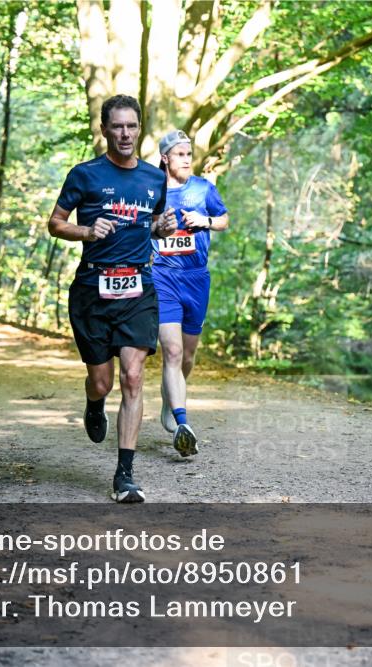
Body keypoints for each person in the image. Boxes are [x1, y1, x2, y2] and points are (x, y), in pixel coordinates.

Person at [47, 94, 177, 503]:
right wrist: (86, 232)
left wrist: (162, 227)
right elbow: (55, 223)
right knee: (102, 381)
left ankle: (125, 474)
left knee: (133, 377)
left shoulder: (155, 179)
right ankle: (93, 402)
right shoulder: (84, 175)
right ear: (104, 129)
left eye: (132, 126)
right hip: (92, 289)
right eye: (117, 126)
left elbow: (150, 224)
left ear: (140, 129)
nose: (125, 134)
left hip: (138, 287)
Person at [153, 129, 229, 457]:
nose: (186, 159)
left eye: (189, 154)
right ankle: (182, 421)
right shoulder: (150, 189)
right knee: (170, 351)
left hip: (196, 279)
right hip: (162, 277)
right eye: (180, 154)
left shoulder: (203, 189)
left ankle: (169, 399)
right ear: (165, 158)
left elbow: (224, 219)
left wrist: (206, 220)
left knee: (186, 356)